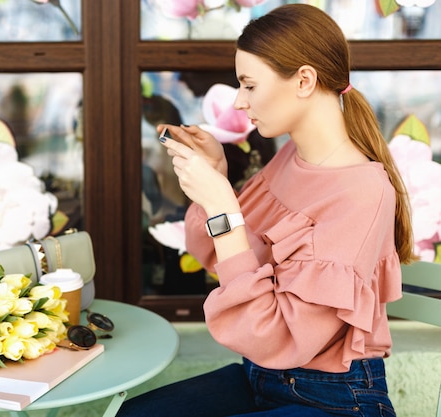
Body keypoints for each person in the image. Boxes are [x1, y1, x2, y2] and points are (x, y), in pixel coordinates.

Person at [117, 4, 416, 417]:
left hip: (334, 399)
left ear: (305, 80)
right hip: (262, 374)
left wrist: (223, 204)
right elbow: (215, 255)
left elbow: (275, 334)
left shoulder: (363, 193)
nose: (239, 102)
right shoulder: (291, 154)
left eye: (249, 85)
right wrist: (217, 178)